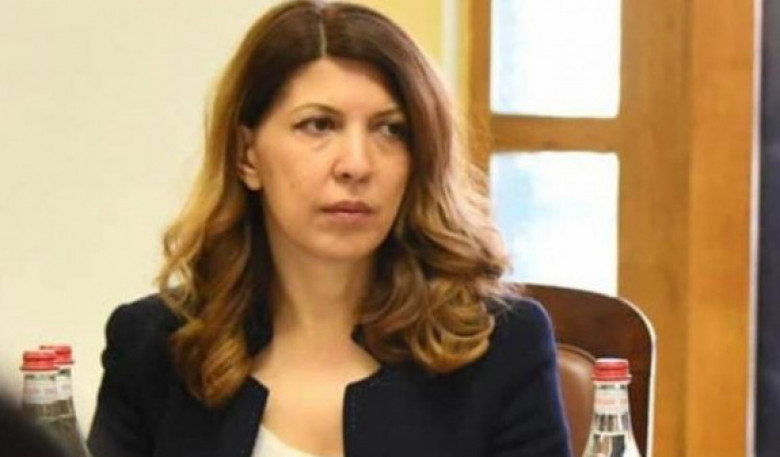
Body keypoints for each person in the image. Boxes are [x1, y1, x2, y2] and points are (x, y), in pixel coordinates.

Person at [87, 1, 572, 456]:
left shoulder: (501, 346)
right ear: (246, 155)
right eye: (318, 125)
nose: (356, 164)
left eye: (391, 130)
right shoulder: (155, 346)